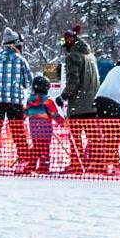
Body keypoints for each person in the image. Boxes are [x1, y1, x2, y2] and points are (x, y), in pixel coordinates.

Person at [0, 30, 36, 173]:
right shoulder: (20, 60)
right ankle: (22, 162)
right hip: (14, 102)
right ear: (16, 43)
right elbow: (28, 82)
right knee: (18, 131)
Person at [55, 26, 101, 174]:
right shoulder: (91, 56)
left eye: (65, 41)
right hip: (93, 103)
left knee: (75, 137)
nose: (64, 45)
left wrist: (64, 96)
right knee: (94, 137)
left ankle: (77, 164)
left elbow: (73, 80)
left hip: (78, 105)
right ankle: (96, 164)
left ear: (70, 40)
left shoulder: (73, 57)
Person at [24, 75, 61, 174]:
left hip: (34, 131)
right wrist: (62, 122)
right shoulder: (48, 100)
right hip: (46, 131)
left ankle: (31, 165)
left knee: (36, 148)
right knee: (45, 149)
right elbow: (54, 114)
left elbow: (25, 113)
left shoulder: (29, 100)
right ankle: (44, 167)